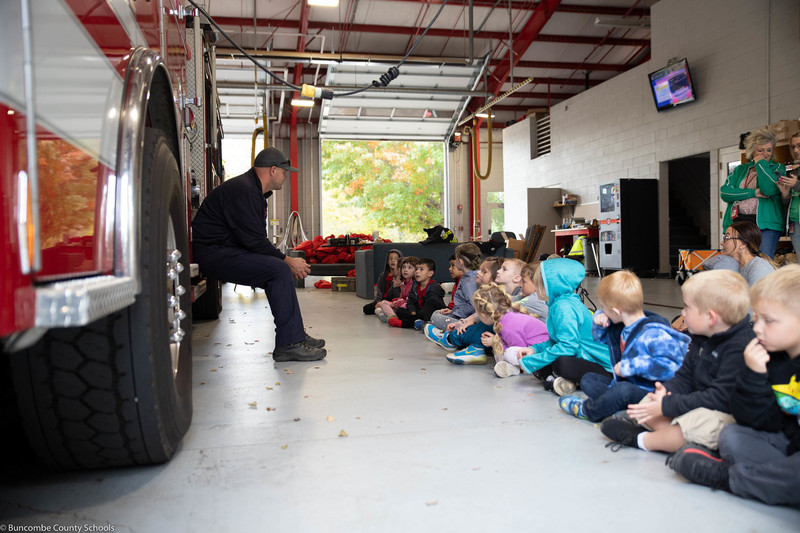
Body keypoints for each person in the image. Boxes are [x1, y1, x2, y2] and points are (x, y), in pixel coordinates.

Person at [667, 266, 800, 507]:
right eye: (757, 318)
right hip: (788, 447)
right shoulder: (770, 356)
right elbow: (756, 420)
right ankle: (772, 480)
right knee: (731, 435)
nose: (757, 328)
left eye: (768, 321)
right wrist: (754, 375)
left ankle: (729, 477)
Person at [191, 147, 325, 362]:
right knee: (279, 270)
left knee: (279, 270)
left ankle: (295, 336)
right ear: (273, 170)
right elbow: (254, 242)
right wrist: (288, 260)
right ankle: (289, 344)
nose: (285, 177)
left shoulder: (250, 189)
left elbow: (252, 240)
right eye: (284, 172)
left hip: (225, 250)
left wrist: (284, 261)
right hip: (213, 254)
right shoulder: (245, 191)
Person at [600, 270, 754, 453]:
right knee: (647, 404)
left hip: (723, 412)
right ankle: (678, 440)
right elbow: (684, 376)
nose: (682, 312)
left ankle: (642, 440)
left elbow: (717, 399)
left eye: (687, 307)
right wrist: (665, 393)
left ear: (710, 318)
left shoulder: (739, 347)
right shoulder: (702, 337)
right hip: (696, 403)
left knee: (701, 423)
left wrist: (666, 405)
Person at [559, 270, 689, 421]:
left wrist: (630, 366)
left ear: (615, 311)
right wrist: (599, 322)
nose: (602, 311)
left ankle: (587, 410)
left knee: (622, 391)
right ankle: (616, 406)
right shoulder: (622, 326)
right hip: (625, 383)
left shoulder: (654, 333)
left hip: (651, 392)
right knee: (588, 380)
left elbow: (669, 367)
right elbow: (599, 339)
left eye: (603, 307)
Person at [516, 258, 612, 396]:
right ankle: (562, 380)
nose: (536, 288)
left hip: (603, 367)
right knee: (551, 359)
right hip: (583, 358)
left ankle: (556, 378)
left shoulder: (563, 308)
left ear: (554, 285)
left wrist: (533, 362)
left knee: (561, 363)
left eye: (540, 284)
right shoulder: (558, 303)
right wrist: (534, 349)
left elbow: (568, 347)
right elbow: (556, 341)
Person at [425, 257, 522, 365]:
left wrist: (466, 321)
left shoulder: (518, 296)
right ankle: (473, 347)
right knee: (483, 323)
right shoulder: (503, 293)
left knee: (486, 324)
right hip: (495, 335)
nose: (499, 271)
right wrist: (465, 322)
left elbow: (482, 312)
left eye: (504, 269)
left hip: (509, 338)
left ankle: (451, 339)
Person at [720, 128, 786, 259]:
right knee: (735, 260)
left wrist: (761, 163)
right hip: (739, 222)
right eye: (760, 150)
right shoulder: (740, 169)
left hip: (766, 224)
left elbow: (769, 189)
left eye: (769, 150)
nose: (765, 154)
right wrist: (753, 192)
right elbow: (725, 193)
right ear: (752, 150)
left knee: (763, 261)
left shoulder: (778, 168)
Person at [428, 243, 482, 330]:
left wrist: (456, 313)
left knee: (436, 317)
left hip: (464, 317)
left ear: (460, 262)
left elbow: (473, 306)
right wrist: (452, 311)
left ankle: (460, 329)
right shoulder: (468, 276)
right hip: (460, 314)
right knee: (438, 313)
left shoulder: (469, 281)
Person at [388, 258, 445, 329]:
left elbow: (430, 307)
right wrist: (413, 312)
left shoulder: (434, 287)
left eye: (421, 269)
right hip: (418, 313)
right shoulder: (415, 285)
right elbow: (410, 301)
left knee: (427, 308)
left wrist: (416, 315)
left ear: (430, 273)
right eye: (416, 269)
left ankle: (403, 323)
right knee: (400, 311)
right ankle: (417, 321)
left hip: (432, 314)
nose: (417, 272)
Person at [719, 221, 775, 286]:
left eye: (727, 238)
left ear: (743, 244)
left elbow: (758, 296)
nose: (722, 243)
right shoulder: (732, 267)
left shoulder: (760, 268)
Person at [778, 131, 800, 256]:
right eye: (793, 146)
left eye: (799, 145)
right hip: (795, 223)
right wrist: (785, 194)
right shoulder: (795, 172)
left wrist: (796, 185)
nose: (796, 150)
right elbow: (787, 203)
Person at [377, 256, 418, 323]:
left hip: (409, 306)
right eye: (403, 267)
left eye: (409, 267)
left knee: (401, 307)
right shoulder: (403, 284)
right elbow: (401, 297)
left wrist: (397, 303)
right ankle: (393, 316)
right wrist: (395, 301)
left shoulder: (414, 284)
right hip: (401, 304)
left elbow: (410, 300)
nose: (405, 270)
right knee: (383, 302)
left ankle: (391, 317)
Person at [366, 249, 402, 315]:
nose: (393, 260)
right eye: (390, 259)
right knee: (366, 308)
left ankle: (384, 311)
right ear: (387, 262)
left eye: (396, 259)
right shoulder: (383, 276)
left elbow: (397, 294)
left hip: (392, 301)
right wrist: (378, 301)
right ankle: (382, 310)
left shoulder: (400, 276)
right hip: (382, 300)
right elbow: (379, 291)